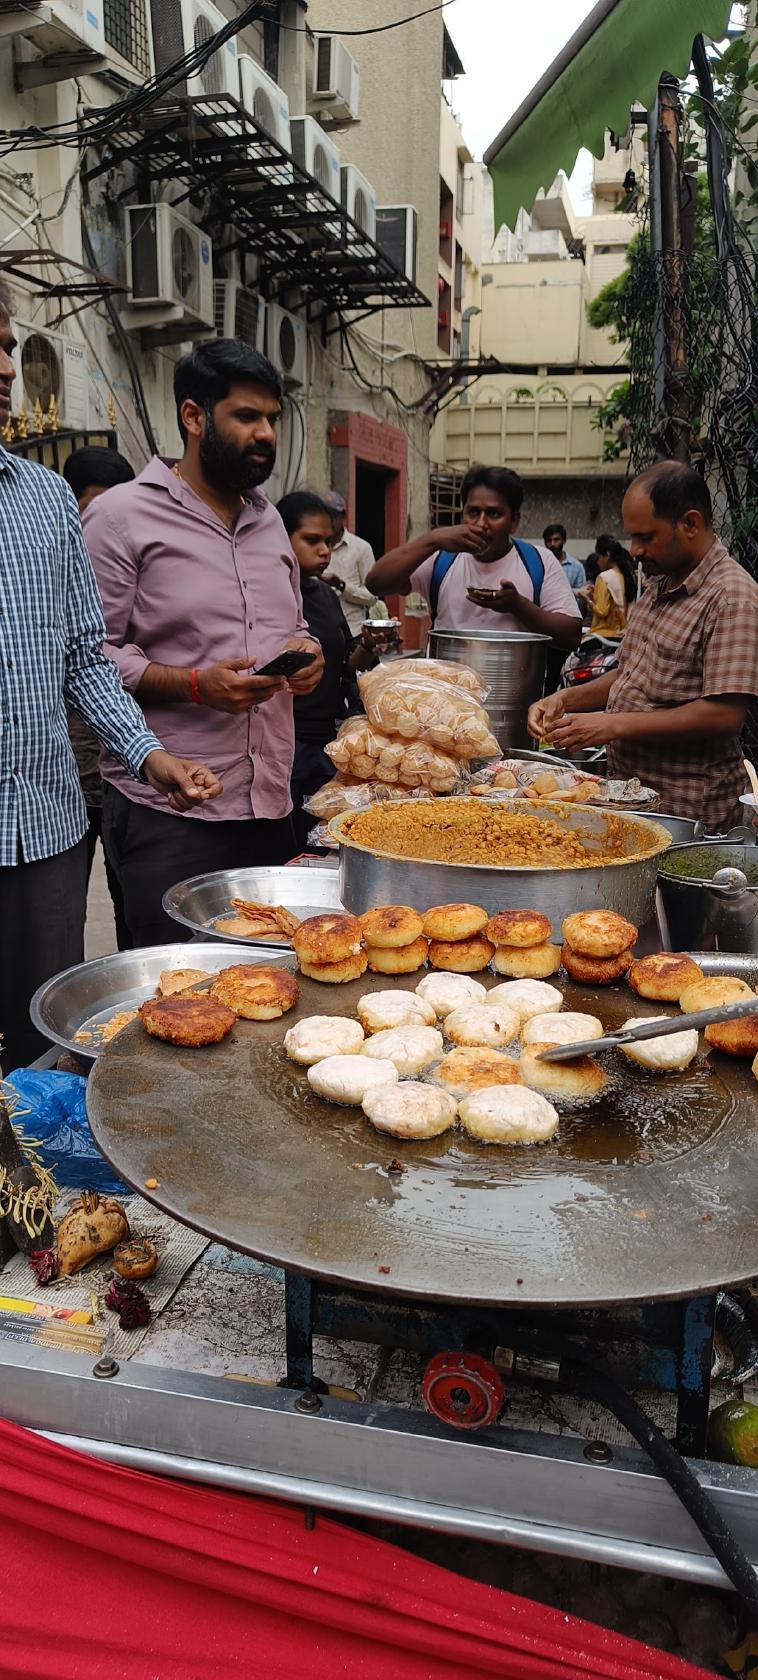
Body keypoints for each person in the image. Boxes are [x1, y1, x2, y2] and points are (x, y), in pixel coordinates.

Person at [0, 305, 222, 1070]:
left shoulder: (44, 498)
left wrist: (149, 755)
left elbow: (84, 659)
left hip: (47, 831)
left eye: (6, 348)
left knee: (43, 1044)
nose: (6, 369)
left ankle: (27, 1186)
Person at [84, 338, 324, 949]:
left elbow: (290, 626)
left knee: (266, 991)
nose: (265, 432)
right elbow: (87, 658)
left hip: (271, 803)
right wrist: (196, 685)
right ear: (194, 417)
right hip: (171, 808)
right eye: (246, 416)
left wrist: (307, 657)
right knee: (174, 994)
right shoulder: (119, 519)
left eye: (271, 418)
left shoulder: (270, 522)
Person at [528, 461, 758, 830]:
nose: (633, 549)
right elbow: (632, 673)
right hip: (635, 798)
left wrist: (611, 724)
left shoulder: (731, 597)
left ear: (691, 524)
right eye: (631, 537)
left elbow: (723, 715)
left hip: (689, 813)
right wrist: (565, 700)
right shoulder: (658, 585)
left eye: (646, 537)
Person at [367, 465, 582, 656]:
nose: (481, 524)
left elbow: (571, 637)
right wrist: (432, 539)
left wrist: (518, 606)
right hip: (446, 695)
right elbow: (376, 583)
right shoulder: (440, 559)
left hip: (514, 693)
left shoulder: (539, 562)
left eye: (494, 514)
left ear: (514, 521)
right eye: (472, 512)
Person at [278, 492, 384, 851]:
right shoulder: (267, 597)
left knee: (322, 843)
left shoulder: (323, 595)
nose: (324, 551)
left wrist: (367, 645)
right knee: (283, 848)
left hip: (324, 744)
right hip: (283, 744)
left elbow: (344, 665)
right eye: (312, 541)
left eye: (327, 541)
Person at [63, 448, 135, 949]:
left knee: (123, 886)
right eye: (92, 510)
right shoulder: (60, 547)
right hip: (66, 762)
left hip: (127, 751)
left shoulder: (129, 548)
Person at [320, 491, 378, 634]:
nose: (328, 521)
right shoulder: (311, 548)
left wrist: (341, 585)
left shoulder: (361, 548)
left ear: (343, 516)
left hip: (353, 632)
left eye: (332, 515)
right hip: (319, 632)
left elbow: (372, 597)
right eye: (322, 515)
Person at [588, 535, 636, 638]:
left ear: (607, 555)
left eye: (599, 557)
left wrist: (587, 599)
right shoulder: (626, 576)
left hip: (602, 636)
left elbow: (602, 611)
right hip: (621, 636)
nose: (597, 561)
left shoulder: (603, 577)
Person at [542, 523, 586, 595]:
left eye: (556, 540)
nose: (552, 544)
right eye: (549, 540)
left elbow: (582, 596)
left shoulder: (576, 567)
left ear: (564, 541)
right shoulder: (539, 564)